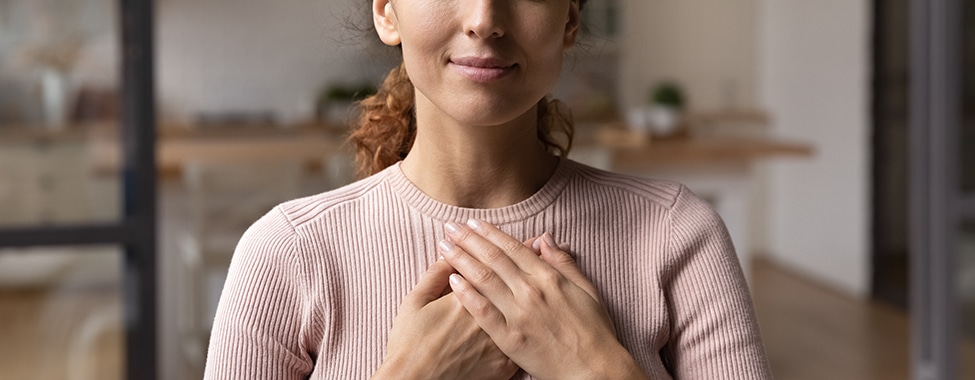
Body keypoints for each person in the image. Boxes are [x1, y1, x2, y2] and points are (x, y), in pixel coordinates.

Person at [204, 0, 773, 378]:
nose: (484, 19)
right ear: (387, 11)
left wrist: (596, 368)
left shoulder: (678, 235)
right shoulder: (287, 252)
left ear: (570, 17)